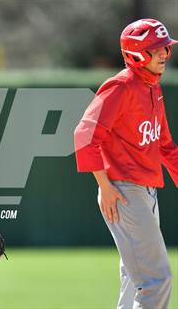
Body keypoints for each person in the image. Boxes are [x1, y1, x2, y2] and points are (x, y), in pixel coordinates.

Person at [74, 19, 178, 308]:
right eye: (157, 49)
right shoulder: (120, 87)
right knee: (157, 279)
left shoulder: (153, 88)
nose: (164, 55)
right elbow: (84, 135)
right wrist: (104, 185)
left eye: (166, 49)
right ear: (136, 54)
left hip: (146, 192)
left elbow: (165, 146)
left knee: (135, 279)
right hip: (124, 190)